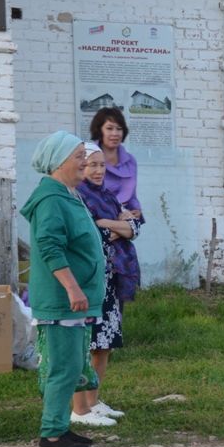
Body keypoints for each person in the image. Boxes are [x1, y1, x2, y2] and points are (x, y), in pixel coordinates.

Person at [20, 131, 105, 447]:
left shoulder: (67, 194)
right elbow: (50, 245)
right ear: (59, 162)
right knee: (63, 366)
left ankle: (59, 429)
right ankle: (52, 435)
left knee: (71, 365)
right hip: (62, 300)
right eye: (79, 156)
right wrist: (72, 287)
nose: (85, 161)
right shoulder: (52, 199)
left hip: (75, 299)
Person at [71, 142, 142, 426]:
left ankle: (94, 400)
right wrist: (116, 225)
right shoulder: (77, 197)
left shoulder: (108, 196)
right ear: (81, 166)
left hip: (113, 279)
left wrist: (107, 222)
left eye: (102, 165)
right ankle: (80, 409)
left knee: (105, 344)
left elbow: (135, 228)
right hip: (90, 280)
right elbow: (91, 235)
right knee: (89, 343)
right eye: (93, 165)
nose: (99, 170)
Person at [89, 107, 143, 221]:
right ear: (99, 130)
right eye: (109, 128)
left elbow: (132, 195)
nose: (115, 133)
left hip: (126, 220)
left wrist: (136, 210)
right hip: (97, 220)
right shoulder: (88, 157)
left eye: (119, 129)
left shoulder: (131, 161)